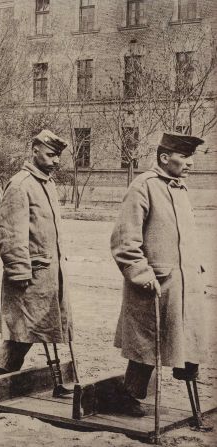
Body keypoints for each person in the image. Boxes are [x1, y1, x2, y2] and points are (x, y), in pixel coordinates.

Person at [109, 132, 208, 420]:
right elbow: (124, 241)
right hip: (154, 284)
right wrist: (141, 274)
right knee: (146, 343)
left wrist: (195, 268)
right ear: (165, 158)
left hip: (182, 283)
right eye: (184, 157)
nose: (190, 163)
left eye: (191, 157)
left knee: (183, 339)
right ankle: (128, 396)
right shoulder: (144, 186)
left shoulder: (179, 188)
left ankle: (181, 392)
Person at [0, 130, 74, 391]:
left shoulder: (46, 183)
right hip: (30, 275)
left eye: (58, 156)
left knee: (38, 329)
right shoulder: (20, 184)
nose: (56, 161)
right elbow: (9, 233)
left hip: (49, 273)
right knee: (22, 331)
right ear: (34, 151)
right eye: (50, 155)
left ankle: (4, 377)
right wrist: (18, 272)